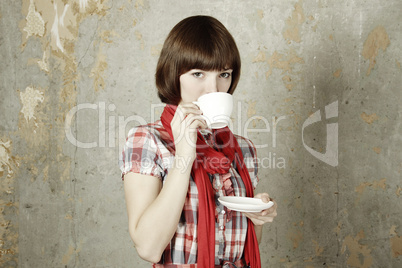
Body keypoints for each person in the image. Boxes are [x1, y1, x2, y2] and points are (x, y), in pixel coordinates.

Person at [119, 15, 277, 268]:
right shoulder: (147, 140)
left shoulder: (243, 148)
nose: (213, 89)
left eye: (224, 74)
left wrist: (256, 216)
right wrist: (183, 156)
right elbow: (148, 248)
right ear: (174, 74)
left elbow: (241, 249)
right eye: (198, 74)